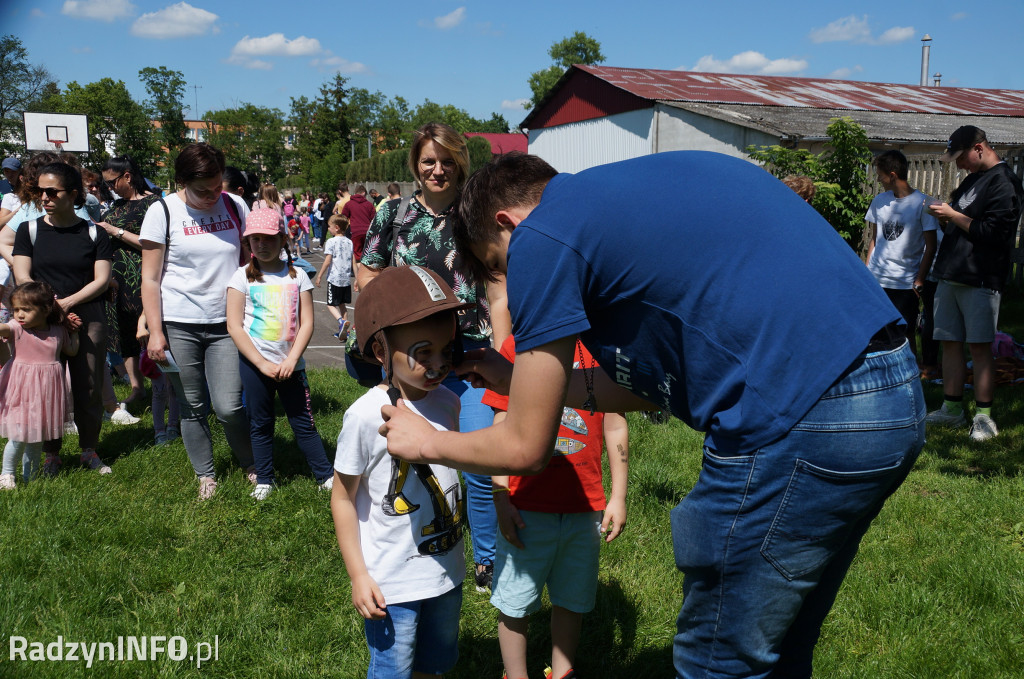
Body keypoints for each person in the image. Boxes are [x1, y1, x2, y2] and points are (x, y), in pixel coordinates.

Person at [381, 151, 926, 679]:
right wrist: (514, 379)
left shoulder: (543, 234)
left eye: (500, 263)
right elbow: (650, 391)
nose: (513, 280)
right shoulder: (639, 193)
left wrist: (423, 442)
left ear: (508, 222)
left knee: (722, 660)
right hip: (892, 395)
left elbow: (526, 448)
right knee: (782, 643)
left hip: (800, 416)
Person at [359, 122, 497, 593]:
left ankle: (488, 555)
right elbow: (367, 269)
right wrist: (384, 318)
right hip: (413, 359)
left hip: (474, 353)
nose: (438, 170)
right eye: (428, 162)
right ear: (415, 166)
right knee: (410, 457)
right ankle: (416, 547)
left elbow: (498, 277)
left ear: (460, 162)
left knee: (479, 454)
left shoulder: (477, 214)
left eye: (447, 161)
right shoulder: (392, 215)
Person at [330, 265, 471, 679]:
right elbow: (342, 497)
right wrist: (359, 574)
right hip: (392, 583)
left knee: (438, 663)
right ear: (380, 352)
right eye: (423, 352)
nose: (439, 364)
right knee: (393, 669)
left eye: (447, 350)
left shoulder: (448, 401)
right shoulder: (363, 417)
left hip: (448, 571)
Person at [483, 334, 629, 679]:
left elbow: (615, 422)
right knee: (514, 602)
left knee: (572, 599)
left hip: (585, 507)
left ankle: (563, 673)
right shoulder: (516, 347)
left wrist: (618, 495)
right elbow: (500, 424)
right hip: (525, 507)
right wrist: (501, 497)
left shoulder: (602, 347)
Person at [139, 142, 255, 500]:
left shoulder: (235, 205)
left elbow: (249, 260)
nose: (211, 196)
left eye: (217, 186)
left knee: (229, 405)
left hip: (228, 323)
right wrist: (155, 332)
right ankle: (206, 474)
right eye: (201, 190)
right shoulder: (162, 211)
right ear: (180, 182)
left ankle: (251, 464)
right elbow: (151, 278)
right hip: (179, 322)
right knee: (191, 404)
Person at [13, 161, 114, 476]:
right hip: (43, 320)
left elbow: (102, 279)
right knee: (47, 387)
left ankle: (89, 450)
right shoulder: (28, 230)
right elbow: (22, 275)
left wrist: (69, 303)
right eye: (40, 191)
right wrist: (54, 310)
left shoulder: (94, 232)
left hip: (88, 315)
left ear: (73, 194)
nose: (44, 197)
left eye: (52, 191)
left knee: (89, 383)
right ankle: (51, 455)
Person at [925, 125, 1024, 441]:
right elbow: (965, 223)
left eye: (961, 156)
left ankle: (984, 418)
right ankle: (951, 410)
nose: (959, 164)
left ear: (979, 148)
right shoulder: (973, 179)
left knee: (980, 349)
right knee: (950, 344)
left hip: (981, 277)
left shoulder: (1006, 184)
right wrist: (947, 218)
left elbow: (995, 234)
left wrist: (952, 216)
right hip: (950, 273)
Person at [226, 208, 333, 500]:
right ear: (247, 242)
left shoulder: (298, 276)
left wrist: (291, 360)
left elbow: (307, 322)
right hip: (254, 366)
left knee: (303, 422)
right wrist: (260, 363)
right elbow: (234, 326)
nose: (262, 244)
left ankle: (325, 475)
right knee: (260, 422)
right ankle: (265, 478)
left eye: (269, 239)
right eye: (255, 239)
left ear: (283, 239)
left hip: (291, 367)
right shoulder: (240, 278)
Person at [0, 282, 81, 488]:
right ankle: (7, 475)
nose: (19, 314)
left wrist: (74, 332)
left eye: (26, 310)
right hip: (21, 390)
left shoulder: (57, 331)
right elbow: (3, 327)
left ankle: (31, 477)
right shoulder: (16, 329)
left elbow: (71, 351)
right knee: (19, 436)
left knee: (36, 438)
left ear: (45, 309)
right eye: (16, 309)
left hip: (46, 392)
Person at [865, 150, 939, 359]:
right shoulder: (879, 201)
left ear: (893, 174)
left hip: (904, 282)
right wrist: (868, 271)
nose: (878, 179)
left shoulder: (923, 204)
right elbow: (875, 239)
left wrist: (919, 280)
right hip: (878, 279)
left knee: (904, 333)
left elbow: (930, 247)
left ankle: (910, 372)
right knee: (878, 332)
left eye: (880, 175)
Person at [99, 155, 159, 406]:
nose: (110, 189)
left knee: (148, 329)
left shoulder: (153, 204)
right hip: (117, 278)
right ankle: (137, 387)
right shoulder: (115, 207)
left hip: (145, 273)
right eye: (106, 185)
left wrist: (115, 231)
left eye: (112, 183)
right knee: (123, 331)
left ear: (127, 176)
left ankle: (161, 384)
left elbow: (152, 243)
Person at [137, 311, 180, 445]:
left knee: (174, 388)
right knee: (159, 390)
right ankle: (159, 431)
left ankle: (173, 425)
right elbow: (145, 311)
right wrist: (141, 327)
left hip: (175, 336)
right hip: (154, 340)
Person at [314, 214, 354, 340]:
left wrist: (319, 275)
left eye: (329, 227)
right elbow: (353, 261)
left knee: (330, 305)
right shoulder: (349, 241)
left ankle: (341, 322)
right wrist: (357, 278)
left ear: (336, 227)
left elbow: (327, 260)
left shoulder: (331, 241)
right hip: (346, 278)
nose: (328, 229)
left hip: (334, 278)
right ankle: (344, 332)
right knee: (342, 305)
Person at [341, 185, 376, 261]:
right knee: (367, 254)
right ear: (363, 193)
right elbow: (374, 219)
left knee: (356, 255)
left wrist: (343, 229)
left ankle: (357, 271)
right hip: (367, 232)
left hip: (355, 232)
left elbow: (343, 218)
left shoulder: (349, 204)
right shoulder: (369, 204)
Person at [0, 157, 23, 230]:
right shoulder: (1, 185)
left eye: (13, 171)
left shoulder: (26, 187)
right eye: (7, 171)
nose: (10, 175)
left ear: (19, 171)